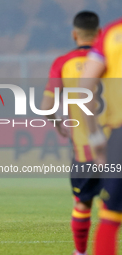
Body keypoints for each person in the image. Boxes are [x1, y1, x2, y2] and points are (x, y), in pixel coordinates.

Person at [40, 11, 105, 255]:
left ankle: (80, 252)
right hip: (115, 146)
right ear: (99, 34)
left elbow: (46, 108)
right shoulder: (111, 58)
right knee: (114, 207)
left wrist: (58, 124)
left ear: (74, 34)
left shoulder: (63, 63)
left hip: (85, 151)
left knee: (83, 203)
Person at [80, 17, 122, 255]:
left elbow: (85, 86)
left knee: (111, 215)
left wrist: (95, 137)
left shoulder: (112, 33)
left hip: (120, 134)